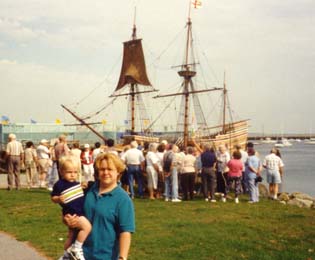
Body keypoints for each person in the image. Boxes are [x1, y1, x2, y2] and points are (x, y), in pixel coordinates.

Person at [65, 153, 135, 260]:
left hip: (104, 255)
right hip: (78, 254)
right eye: (102, 169)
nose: (106, 173)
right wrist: (68, 220)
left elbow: (125, 231)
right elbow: (71, 212)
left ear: (118, 172)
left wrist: (122, 257)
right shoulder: (87, 191)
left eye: (110, 169)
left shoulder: (123, 199)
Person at [52, 155, 91, 260]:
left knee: (71, 235)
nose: (72, 175)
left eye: (75, 172)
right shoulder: (59, 184)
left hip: (76, 211)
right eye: (69, 172)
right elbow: (53, 197)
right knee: (87, 227)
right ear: (61, 172)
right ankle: (77, 248)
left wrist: (83, 187)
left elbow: (80, 193)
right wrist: (58, 199)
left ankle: (66, 254)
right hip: (73, 213)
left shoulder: (77, 184)